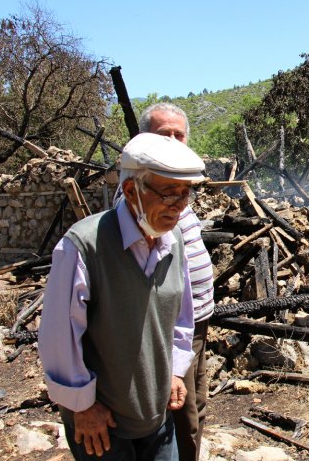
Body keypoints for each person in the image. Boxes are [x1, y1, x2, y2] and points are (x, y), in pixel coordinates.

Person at [38, 132, 206, 460]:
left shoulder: (174, 241)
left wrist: (174, 370)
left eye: (186, 194)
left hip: (156, 417)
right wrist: (81, 407)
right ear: (132, 191)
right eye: (169, 193)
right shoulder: (84, 246)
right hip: (102, 424)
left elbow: (181, 319)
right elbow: (59, 339)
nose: (180, 205)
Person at [138, 103, 214, 461]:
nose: (172, 140)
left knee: (195, 402)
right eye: (162, 134)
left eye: (178, 134)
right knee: (179, 411)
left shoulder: (179, 184)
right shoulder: (143, 194)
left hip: (197, 320)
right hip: (171, 325)